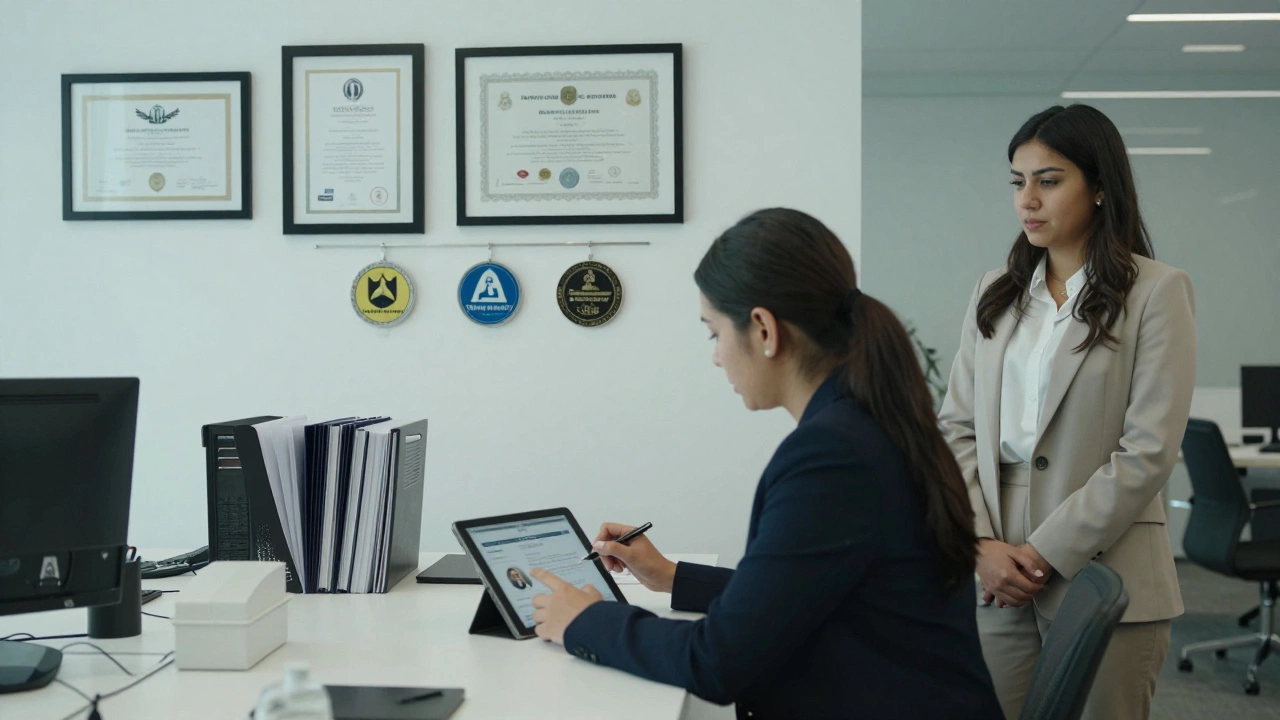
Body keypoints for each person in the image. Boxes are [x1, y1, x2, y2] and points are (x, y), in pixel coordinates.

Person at [527, 208, 1001, 719]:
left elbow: (719, 661)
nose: (715, 357)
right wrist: (670, 575)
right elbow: (804, 597)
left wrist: (586, 622)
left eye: (714, 334)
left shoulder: (832, 457)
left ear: (763, 329)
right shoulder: (873, 423)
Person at [938, 104, 1196, 720]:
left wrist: (1046, 550)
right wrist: (981, 544)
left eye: (1048, 181)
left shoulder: (1155, 292)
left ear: (1101, 187)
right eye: (1017, 181)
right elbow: (958, 426)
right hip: (996, 570)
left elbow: (1149, 450)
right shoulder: (994, 292)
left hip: (1110, 563)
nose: (1028, 199)